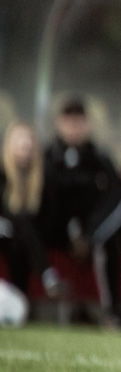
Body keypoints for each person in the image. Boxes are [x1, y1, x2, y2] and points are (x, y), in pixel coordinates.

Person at [38, 99, 121, 324]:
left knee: (110, 243)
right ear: (59, 124)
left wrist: (89, 234)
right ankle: (26, 306)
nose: (74, 128)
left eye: (79, 122)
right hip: (55, 230)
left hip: (92, 232)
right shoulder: (46, 158)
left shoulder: (100, 159)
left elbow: (118, 198)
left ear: (88, 124)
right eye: (69, 122)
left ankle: (113, 312)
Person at [2, 121, 46, 298]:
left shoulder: (41, 177)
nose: (25, 145)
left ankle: (20, 298)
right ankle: (46, 273)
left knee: (21, 238)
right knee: (19, 224)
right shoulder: (2, 173)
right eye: (20, 139)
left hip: (19, 237)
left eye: (29, 140)